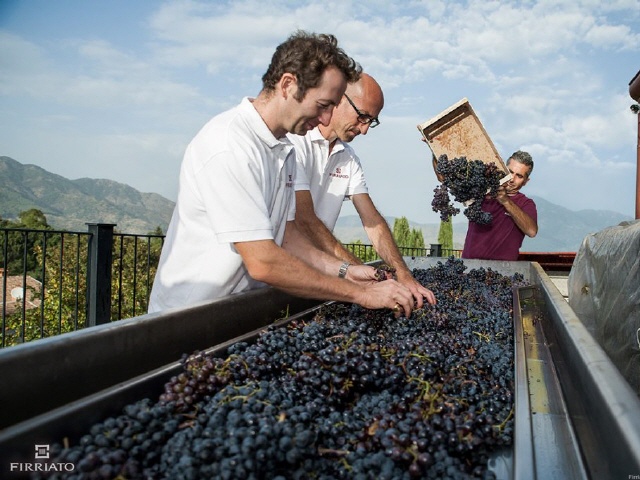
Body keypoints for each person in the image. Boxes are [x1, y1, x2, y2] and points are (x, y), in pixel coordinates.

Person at [149, 31, 417, 317]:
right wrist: (360, 294)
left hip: (234, 314)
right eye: (323, 105)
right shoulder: (229, 145)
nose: (326, 118)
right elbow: (263, 261)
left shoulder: (283, 148)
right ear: (288, 84)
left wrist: (345, 271)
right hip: (187, 319)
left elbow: (287, 237)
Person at [288, 73, 436, 306]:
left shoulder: (348, 158)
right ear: (339, 98)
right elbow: (305, 219)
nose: (365, 129)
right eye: (362, 116)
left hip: (317, 276)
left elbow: (372, 220)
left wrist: (403, 274)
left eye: (371, 121)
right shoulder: (295, 143)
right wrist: (366, 281)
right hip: (278, 275)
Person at [462, 150, 538, 261]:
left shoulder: (526, 203)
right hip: (469, 266)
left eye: (519, 176)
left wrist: (506, 201)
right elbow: (444, 178)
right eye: (510, 172)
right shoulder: (482, 192)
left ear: (526, 181)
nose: (512, 179)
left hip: (502, 269)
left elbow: (532, 231)